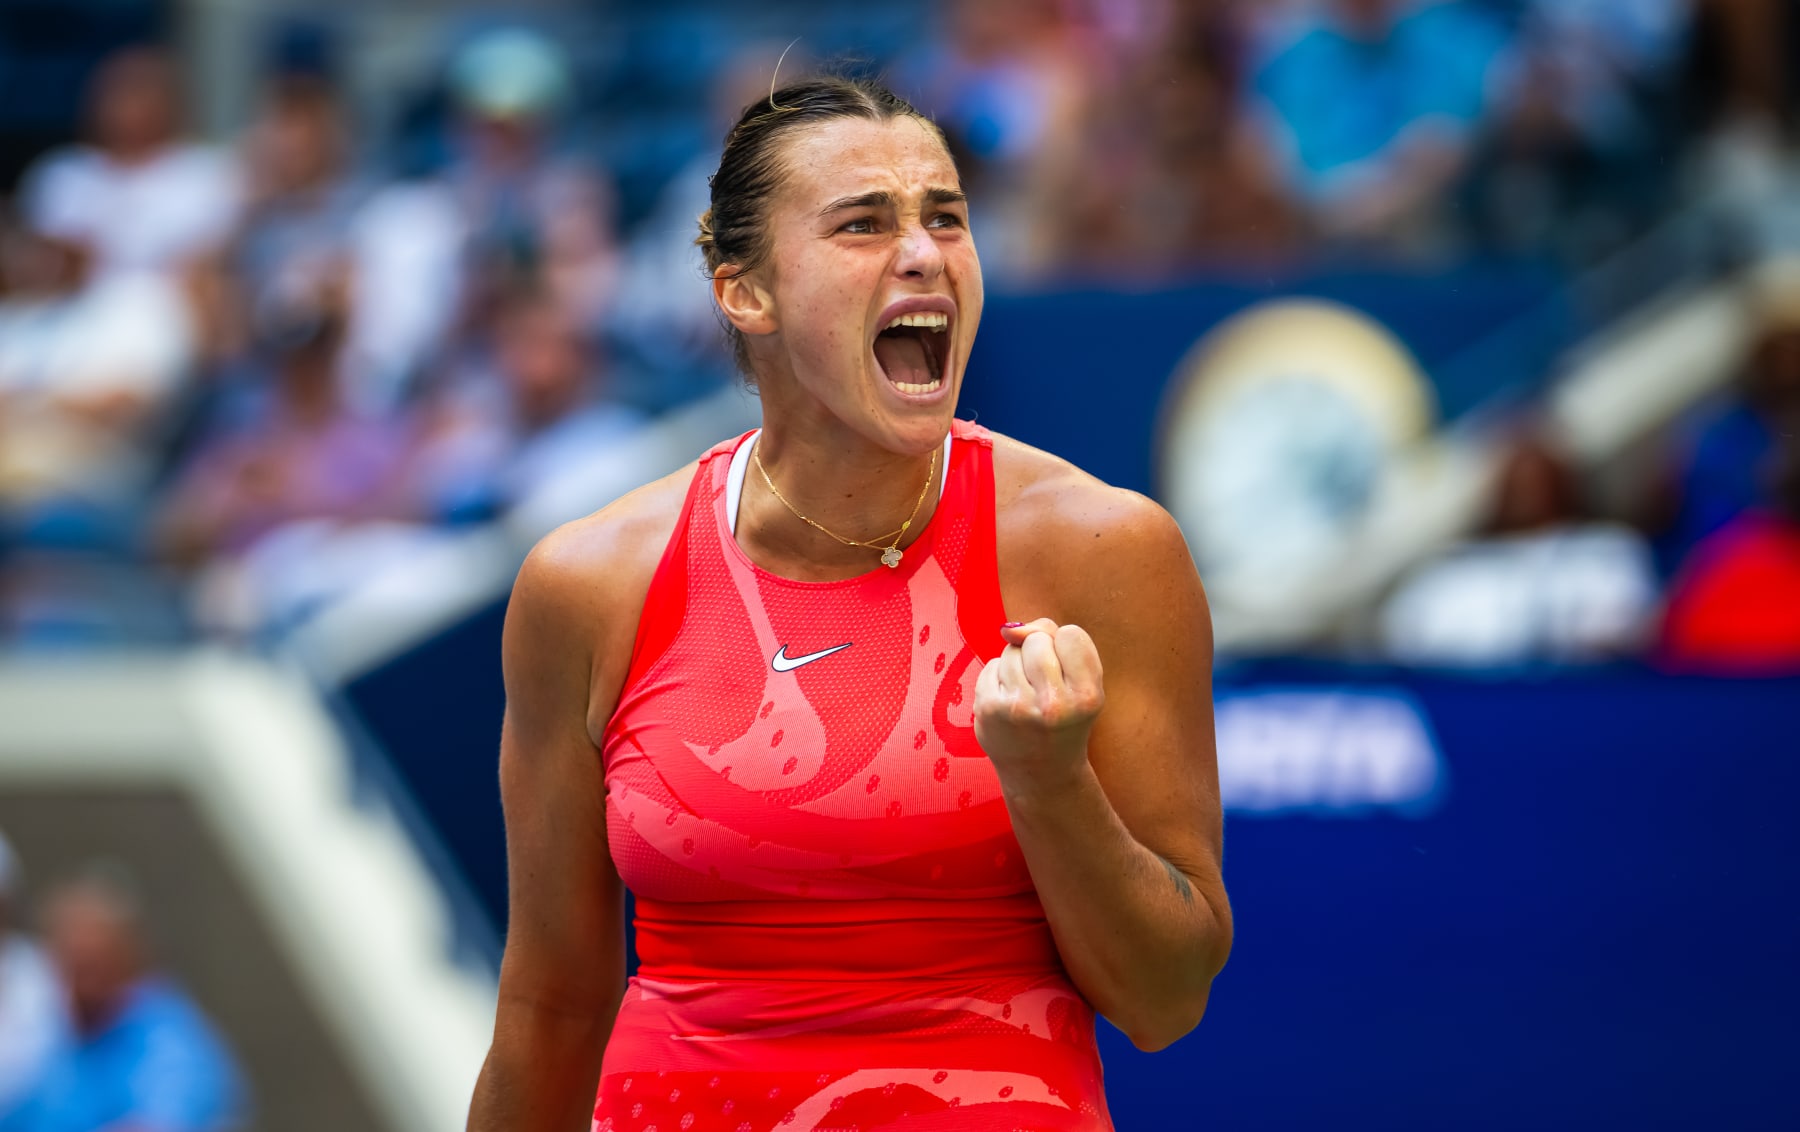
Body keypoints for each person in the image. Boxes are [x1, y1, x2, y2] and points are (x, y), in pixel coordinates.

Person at [467, 77, 1230, 1131]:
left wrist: (1050, 781)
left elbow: (1167, 997)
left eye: (946, 217)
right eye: (863, 224)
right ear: (747, 293)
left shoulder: (1104, 548)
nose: (924, 253)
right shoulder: (587, 585)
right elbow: (549, 1010)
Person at [7, 866, 245, 1132]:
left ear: (129, 952)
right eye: (70, 955)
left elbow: (161, 1120)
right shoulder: (67, 1039)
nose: (80, 969)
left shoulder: (166, 1042)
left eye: (93, 959)